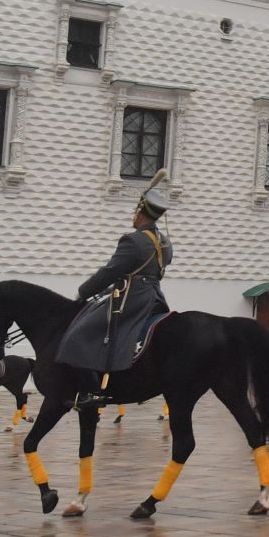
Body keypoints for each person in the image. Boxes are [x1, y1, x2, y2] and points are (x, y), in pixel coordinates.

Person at [68, 171, 174, 408]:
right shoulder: (165, 242)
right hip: (155, 298)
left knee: (82, 332)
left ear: (140, 213)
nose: (133, 217)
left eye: (135, 212)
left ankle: (93, 392)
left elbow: (110, 272)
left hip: (131, 298)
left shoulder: (133, 240)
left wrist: (84, 291)